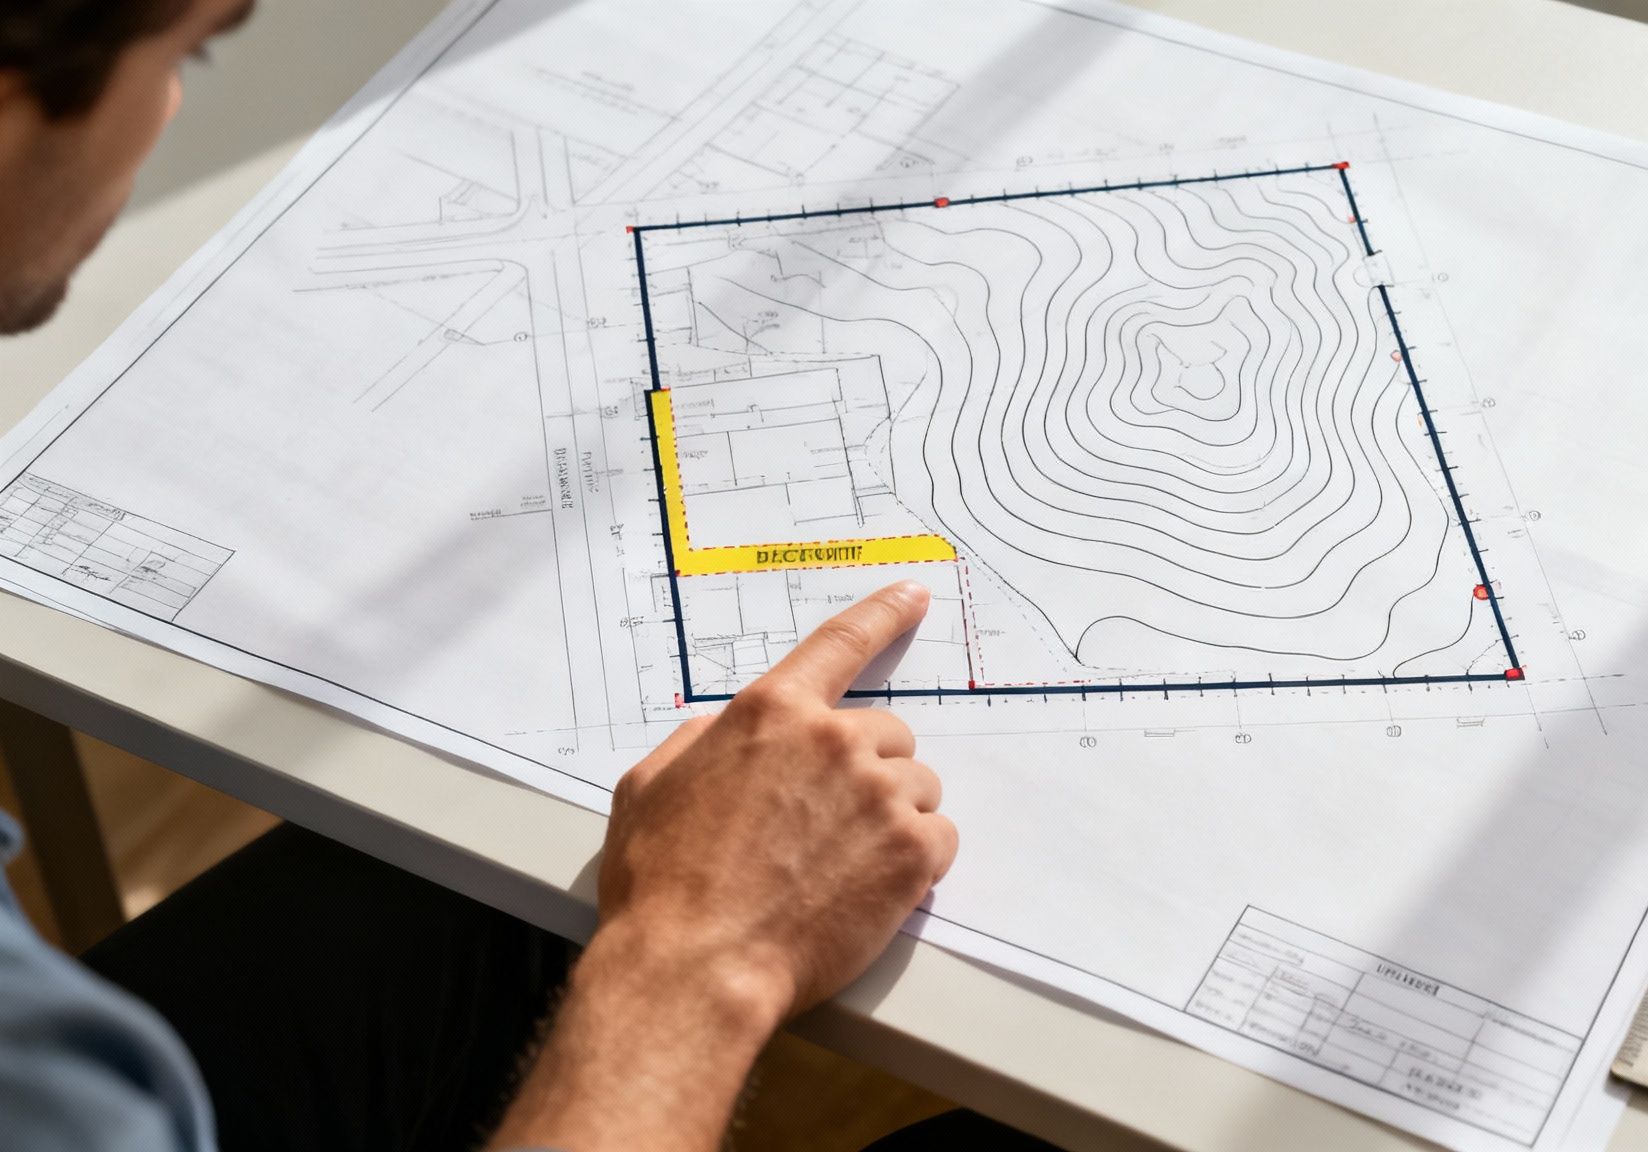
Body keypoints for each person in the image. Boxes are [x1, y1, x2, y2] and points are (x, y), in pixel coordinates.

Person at [1, 3, 1039, 1149]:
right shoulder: (64, 1095)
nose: (178, 107)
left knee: (490, 859)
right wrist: (703, 957)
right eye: (182, 56)